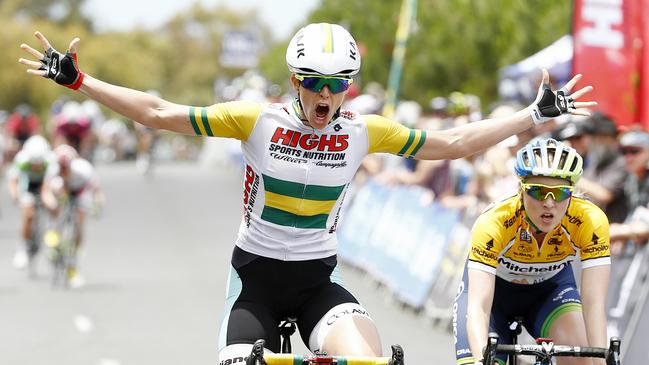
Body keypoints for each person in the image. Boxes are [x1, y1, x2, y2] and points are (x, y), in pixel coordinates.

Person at [18, 24, 596, 362]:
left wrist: (529, 116)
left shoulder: (361, 131)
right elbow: (161, 111)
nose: (327, 95)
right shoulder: (256, 120)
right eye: (316, 84)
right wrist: (80, 81)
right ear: (296, 81)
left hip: (317, 280)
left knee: (369, 362)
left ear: (349, 87)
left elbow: (450, 141)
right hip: (256, 283)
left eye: (338, 84)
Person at [454, 138, 610, 365]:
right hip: (495, 293)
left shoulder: (589, 220)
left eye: (559, 193)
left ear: (572, 192)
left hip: (549, 292)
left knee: (583, 359)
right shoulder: (495, 221)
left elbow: (594, 303)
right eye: (537, 191)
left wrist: (601, 361)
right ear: (521, 189)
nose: (548, 203)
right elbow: (478, 306)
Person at [42, 144, 104, 287]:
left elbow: (97, 191)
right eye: (60, 167)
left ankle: (75, 253)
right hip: (62, 189)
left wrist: (97, 206)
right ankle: (53, 238)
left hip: (80, 191)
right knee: (55, 206)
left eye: (66, 167)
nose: (63, 170)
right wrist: (51, 203)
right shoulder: (53, 170)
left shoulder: (83, 169)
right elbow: (46, 191)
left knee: (80, 219)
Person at [7, 135, 56, 270]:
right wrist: (15, 195)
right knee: (28, 215)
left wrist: (51, 202)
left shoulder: (51, 160)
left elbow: (48, 187)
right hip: (27, 184)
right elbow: (13, 181)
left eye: (38, 163)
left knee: (52, 206)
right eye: (33, 163)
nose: (36, 166)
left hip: (45, 184)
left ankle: (53, 239)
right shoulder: (21, 159)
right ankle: (22, 249)